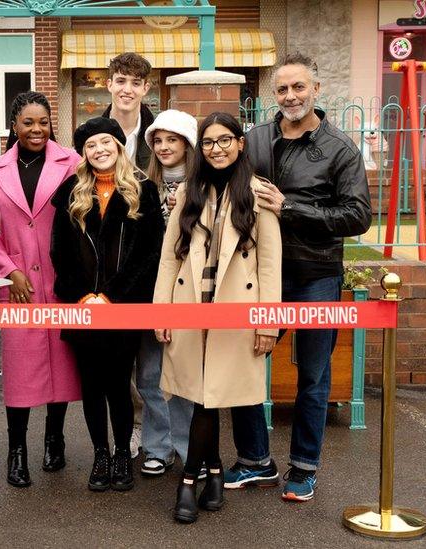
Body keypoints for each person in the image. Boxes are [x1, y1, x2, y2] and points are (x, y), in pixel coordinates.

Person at [228, 52, 372, 502]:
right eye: (282, 89)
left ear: (316, 89)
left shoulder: (339, 147)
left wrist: (289, 208)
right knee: (244, 364)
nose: (290, 96)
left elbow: (358, 215)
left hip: (314, 275)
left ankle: (305, 468)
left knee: (313, 375)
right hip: (257, 272)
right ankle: (255, 460)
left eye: (298, 88)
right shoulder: (255, 139)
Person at [153, 112, 281, 523]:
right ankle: (210, 473)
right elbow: (169, 259)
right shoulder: (190, 191)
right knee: (200, 396)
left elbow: (269, 265)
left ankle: (189, 479)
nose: (216, 148)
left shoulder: (259, 193)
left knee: (210, 399)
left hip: (237, 312)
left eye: (225, 140)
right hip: (190, 308)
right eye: (208, 142)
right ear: (200, 149)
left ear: (240, 144)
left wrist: (267, 322)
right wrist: (162, 311)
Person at [50, 117, 163, 492]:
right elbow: (60, 254)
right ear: (83, 153)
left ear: (119, 145)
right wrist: (83, 296)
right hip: (81, 307)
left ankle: (120, 455)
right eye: (91, 145)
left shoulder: (142, 191)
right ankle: (100, 454)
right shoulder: (70, 192)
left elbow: (149, 254)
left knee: (119, 385)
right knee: (92, 385)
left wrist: (111, 296)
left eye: (106, 142)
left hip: (123, 307)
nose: (99, 150)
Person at [0, 91, 82, 488]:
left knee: (61, 367)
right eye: (28, 123)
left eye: (43, 122)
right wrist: (9, 270)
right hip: (18, 288)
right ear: (14, 126)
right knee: (21, 375)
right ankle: (16, 450)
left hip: (61, 283)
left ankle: (54, 439)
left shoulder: (71, 162)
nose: (37, 130)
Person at [136, 109, 199, 476]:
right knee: (149, 375)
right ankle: (157, 446)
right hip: (149, 294)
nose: (163, 147)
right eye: (157, 141)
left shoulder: (204, 188)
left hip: (188, 294)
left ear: (187, 144)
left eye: (171, 140)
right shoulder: (144, 186)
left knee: (184, 374)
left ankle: (188, 445)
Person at [100, 52, 156, 457]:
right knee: (116, 356)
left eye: (135, 83)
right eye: (121, 80)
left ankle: (151, 432)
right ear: (109, 84)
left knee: (150, 356)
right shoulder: (93, 133)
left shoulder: (161, 133)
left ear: (145, 89)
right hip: (108, 258)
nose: (127, 89)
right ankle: (128, 426)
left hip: (152, 255)